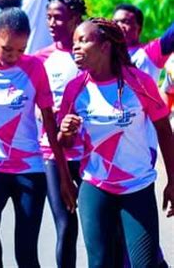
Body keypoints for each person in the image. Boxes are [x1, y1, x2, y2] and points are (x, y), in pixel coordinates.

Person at [0, 7, 76, 268]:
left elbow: (50, 124)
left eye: (20, 50)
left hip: (30, 169)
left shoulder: (34, 67)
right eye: (7, 49)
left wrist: (64, 176)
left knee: (26, 251)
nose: (14, 56)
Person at [59, 18, 174, 267]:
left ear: (105, 46)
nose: (75, 47)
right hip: (95, 186)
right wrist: (65, 131)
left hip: (136, 186)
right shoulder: (74, 89)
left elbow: (164, 130)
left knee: (144, 264)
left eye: (84, 40)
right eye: (74, 41)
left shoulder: (139, 82)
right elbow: (65, 145)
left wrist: (173, 181)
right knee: (100, 263)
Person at [34, 0, 87, 268]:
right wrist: (48, 114)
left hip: (92, 153)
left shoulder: (91, 54)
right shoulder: (40, 59)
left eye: (58, 17)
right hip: (55, 154)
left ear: (74, 18)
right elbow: (32, 107)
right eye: (48, 18)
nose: (52, 23)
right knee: (66, 226)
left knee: (102, 226)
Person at [113, 3, 174, 81]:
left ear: (139, 28)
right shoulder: (103, 55)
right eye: (115, 22)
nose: (119, 25)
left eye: (126, 22)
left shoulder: (148, 53)